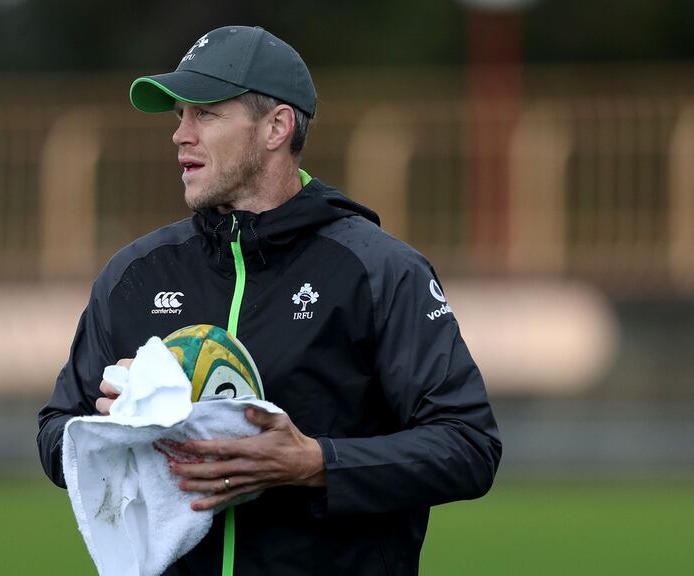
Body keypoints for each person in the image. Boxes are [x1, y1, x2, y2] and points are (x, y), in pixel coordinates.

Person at [37, 25, 501, 575]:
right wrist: (119, 428)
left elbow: (469, 447)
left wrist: (314, 463)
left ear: (276, 126)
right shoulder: (134, 274)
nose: (180, 135)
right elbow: (56, 433)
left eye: (205, 114)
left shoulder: (379, 271)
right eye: (178, 116)